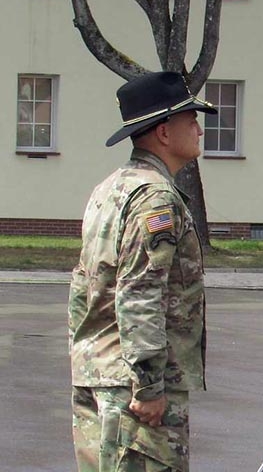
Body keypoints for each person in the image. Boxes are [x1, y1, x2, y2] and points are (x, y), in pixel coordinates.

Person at [69, 71, 215, 472]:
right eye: (190, 121)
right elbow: (140, 291)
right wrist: (149, 385)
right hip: (134, 390)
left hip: (97, 373)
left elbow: (83, 289)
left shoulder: (110, 189)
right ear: (164, 132)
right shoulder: (155, 198)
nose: (199, 130)